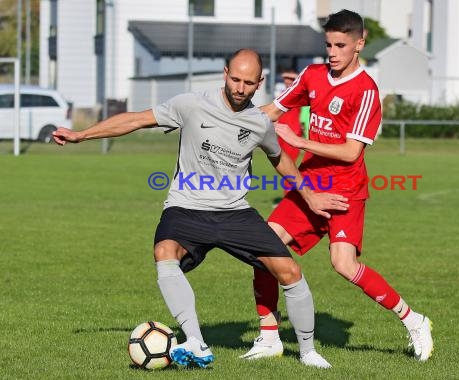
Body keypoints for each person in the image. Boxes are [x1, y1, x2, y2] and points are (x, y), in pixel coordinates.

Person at [52, 49, 349, 369]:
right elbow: (137, 119)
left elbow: (280, 159)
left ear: (259, 82)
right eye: (235, 79)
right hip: (187, 206)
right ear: (225, 73)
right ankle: (194, 339)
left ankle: (308, 353)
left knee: (290, 272)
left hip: (235, 212)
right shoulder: (191, 104)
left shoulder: (260, 122)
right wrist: (82, 134)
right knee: (165, 251)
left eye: (249, 83)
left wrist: (309, 195)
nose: (240, 87)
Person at [240, 10, 434, 362]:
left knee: (343, 264)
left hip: (346, 191)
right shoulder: (313, 75)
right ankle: (269, 337)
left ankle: (414, 320)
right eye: (328, 44)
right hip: (310, 185)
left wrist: (301, 143)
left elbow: (350, 151)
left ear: (359, 44)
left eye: (340, 45)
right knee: (262, 248)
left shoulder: (366, 91)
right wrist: (232, 120)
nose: (332, 52)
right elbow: (275, 109)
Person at [273, 68, 304, 206]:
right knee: (282, 168)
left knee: (289, 167)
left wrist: (295, 78)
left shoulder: (298, 94)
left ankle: (288, 199)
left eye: (291, 79)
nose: (287, 81)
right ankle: (289, 198)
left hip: (293, 136)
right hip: (280, 136)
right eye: (285, 79)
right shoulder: (282, 95)